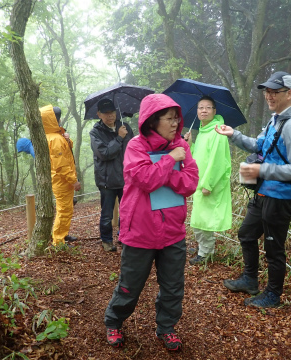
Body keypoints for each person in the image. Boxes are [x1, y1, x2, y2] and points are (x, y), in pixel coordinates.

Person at [104, 94, 199, 351]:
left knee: (173, 286)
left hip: (173, 232)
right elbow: (145, 179)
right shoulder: (136, 146)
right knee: (130, 285)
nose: (175, 123)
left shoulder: (181, 146)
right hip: (140, 232)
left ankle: (166, 327)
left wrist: (166, 172)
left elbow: (190, 183)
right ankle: (114, 321)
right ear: (152, 121)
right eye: (169, 119)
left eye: (176, 118)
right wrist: (169, 161)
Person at [215, 71, 291, 308]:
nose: (268, 95)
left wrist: (262, 171)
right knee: (247, 234)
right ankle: (250, 279)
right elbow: (260, 145)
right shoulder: (275, 119)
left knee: (273, 248)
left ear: (289, 93)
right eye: (267, 91)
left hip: (281, 196)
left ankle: (273, 295)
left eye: (274, 91)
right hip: (264, 191)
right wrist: (234, 135)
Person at [184, 95, 232, 265]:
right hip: (199, 182)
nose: (203, 110)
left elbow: (218, 161)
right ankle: (201, 247)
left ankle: (205, 253)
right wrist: (190, 144)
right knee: (198, 218)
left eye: (208, 107)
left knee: (205, 221)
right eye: (200, 107)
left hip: (210, 183)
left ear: (214, 111)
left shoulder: (217, 130)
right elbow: (199, 157)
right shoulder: (203, 130)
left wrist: (208, 184)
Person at [90, 98, 133, 252]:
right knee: (107, 214)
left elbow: (134, 148)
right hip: (107, 180)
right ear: (99, 114)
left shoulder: (124, 126)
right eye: (106, 113)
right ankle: (107, 240)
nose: (110, 116)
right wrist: (119, 137)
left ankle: (125, 236)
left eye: (112, 112)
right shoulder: (95, 132)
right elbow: (105, 153)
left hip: (126, 177)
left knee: (127, 210)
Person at [40, 105, 81, 246]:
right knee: (64, 210)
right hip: (62, 180)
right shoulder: (54, 139)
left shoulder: (56, 137)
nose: (60, 119)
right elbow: (61, 165)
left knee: (67, 209)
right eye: (58, 117)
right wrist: (73, 181)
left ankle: (63, 234)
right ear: (52, 119)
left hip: (62, 179)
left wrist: (68, 140)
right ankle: (58, 241)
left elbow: (66, 152)